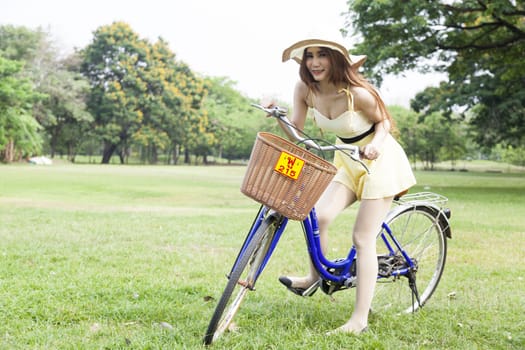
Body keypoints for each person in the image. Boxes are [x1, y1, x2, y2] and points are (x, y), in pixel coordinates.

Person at [272, 39, 417, 335]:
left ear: (336, 60)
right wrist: (279, 116)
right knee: (319, 216)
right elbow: (297, 133)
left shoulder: (357, 93)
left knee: (362, 238)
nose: (314, 62)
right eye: (309, 56)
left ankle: (359, 320)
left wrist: (375, 146)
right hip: (347, 159)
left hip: (379, 160)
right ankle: (315, 277)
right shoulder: (305, 90)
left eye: (322, 55)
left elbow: (384, 122)